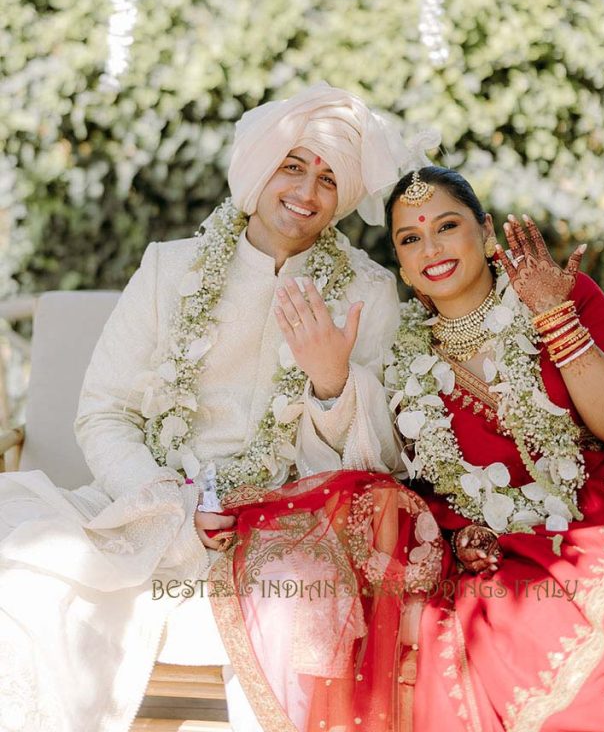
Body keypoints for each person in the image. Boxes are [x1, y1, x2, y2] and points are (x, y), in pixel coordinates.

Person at [0, 82, 418, 732]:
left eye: (330, 179)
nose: (306, 194)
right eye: (292, 166)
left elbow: (378, 461)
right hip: (152, 502)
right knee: (29, 577)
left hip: (287, 520)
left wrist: (334, 384)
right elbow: (104, 412)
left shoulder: (366, 290)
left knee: (297, 609)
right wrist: (164, 501)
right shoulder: (171, 268)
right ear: (259, 167)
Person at [385, 166, 604, 732]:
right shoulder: (401, 363)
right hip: (510, 549)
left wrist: (553, 316)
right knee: (520, 630)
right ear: (401, 264)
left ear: (487, 230)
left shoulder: (559, 292)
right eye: (410, 238)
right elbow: (431, 489)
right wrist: (460, 533)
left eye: (447, 226)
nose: (431, 248)